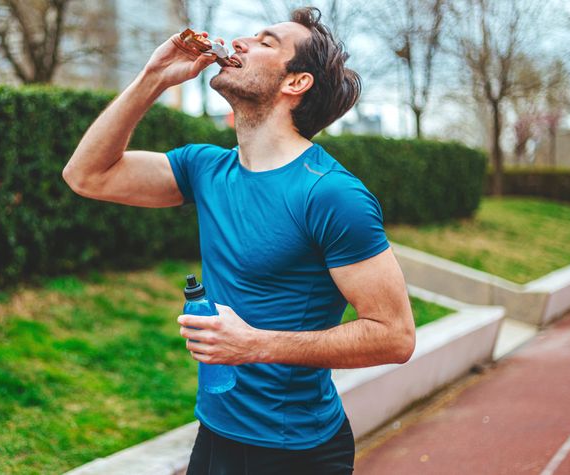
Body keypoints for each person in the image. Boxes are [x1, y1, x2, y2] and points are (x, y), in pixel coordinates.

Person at [63, 6, 415, 474]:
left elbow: (395, 336)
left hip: (297, 451)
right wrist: (153, 77)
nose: (242, 43)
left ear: (296, 82)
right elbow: (86, 176)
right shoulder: (206, 168)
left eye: (266, 42)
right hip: (214, 436)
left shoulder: (331, 194)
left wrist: (254, 344)